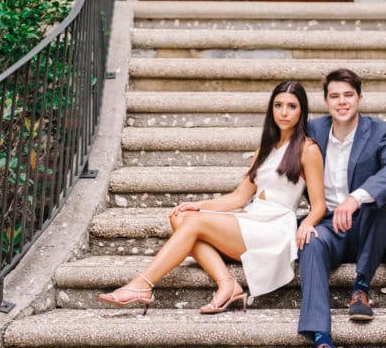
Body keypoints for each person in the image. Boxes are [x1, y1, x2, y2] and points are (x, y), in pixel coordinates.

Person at [99, 80, 325, 312]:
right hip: (254, 218)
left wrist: (307, 223)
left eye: (291, 106)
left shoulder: (308, 149)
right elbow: (238, 197)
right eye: (278, 105)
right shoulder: (264, 149)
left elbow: (319, 205)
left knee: (192, 223)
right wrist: (199, 205)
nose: (284, 112)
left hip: (275, 227)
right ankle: (227, 284)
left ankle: (142, 284)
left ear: (302, 110)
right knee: (181, 217)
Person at [297, 67, 386, 348]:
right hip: (330, 229)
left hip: (368, 227)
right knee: (309, 239)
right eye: (335, 96)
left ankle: (361, 286)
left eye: (348, 95)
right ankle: (323, 344)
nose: (342, 102)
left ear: (360, 98)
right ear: (325, 101)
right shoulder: (312, 132)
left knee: (382, 197)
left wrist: (356, 198)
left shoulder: (381, 132)